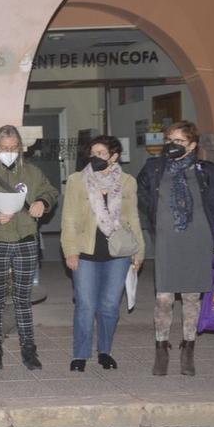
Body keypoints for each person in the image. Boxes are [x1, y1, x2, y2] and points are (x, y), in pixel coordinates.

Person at [137, 120, 214, 376]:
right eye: (169, 140)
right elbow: (140, 195)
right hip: (168, 239)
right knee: (163, 298)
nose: (172, 145)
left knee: (191, 298)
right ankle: (161, 348)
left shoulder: (206, 169)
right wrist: (155, 222)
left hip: (198, 237)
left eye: (179, 141)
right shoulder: (154, 166)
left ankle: (188, 349)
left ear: (192, 145)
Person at [0, 124, 58, 371]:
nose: (9, 152)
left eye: (14, 148)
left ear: (20, 148)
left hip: (25, 240)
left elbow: (50, 192)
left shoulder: (32, 172)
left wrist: (42, 202)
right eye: (4, 148)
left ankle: (29, 348)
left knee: (22, 299)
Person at [61, 136, 145, 372]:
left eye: (101, 153)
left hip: (118, 252)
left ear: (114, 156)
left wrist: (139, 251)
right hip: (86, 252)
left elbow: (133, 218)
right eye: (93, 153)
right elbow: (68, 219)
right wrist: (70, 251)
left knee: (109, 306)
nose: (95, 157)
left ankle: (105, 351)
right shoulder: (77, 180)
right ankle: (80, 354)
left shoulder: (128, 182)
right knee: (85, 304)